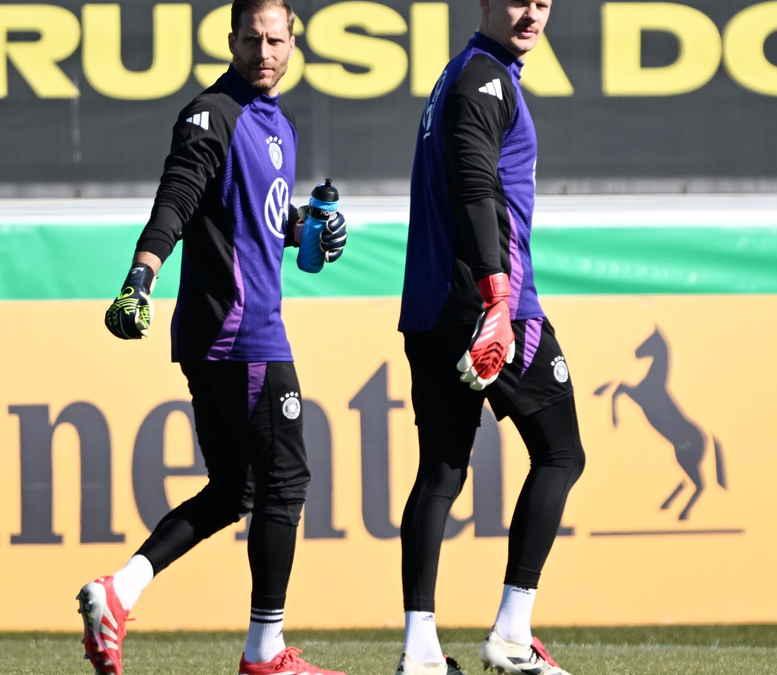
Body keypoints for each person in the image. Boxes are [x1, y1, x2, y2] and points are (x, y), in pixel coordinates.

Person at [77, 1, 347, 674]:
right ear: (231, 41)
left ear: (293, 42)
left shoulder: (276, 123)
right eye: (252, 38)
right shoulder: (212, 113)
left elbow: (248, 214)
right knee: (286, 481)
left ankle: (119, 590)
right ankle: (265, 652)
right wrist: (140, 277)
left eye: (275, 39)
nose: (264, 51)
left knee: (237, 489)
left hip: (224, 334)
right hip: (242, 331)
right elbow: (177, 198)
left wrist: (302, 227)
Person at [395, 0, 584, 673]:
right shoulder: (486, 79)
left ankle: (419, 648)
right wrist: (499, 299)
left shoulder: (462, 74)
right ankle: (510, 631)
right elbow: (476, 187)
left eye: (542, 0)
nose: (531, 12)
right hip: (491, 306)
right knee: (561, 453)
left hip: (431, 306)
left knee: (442, 472)